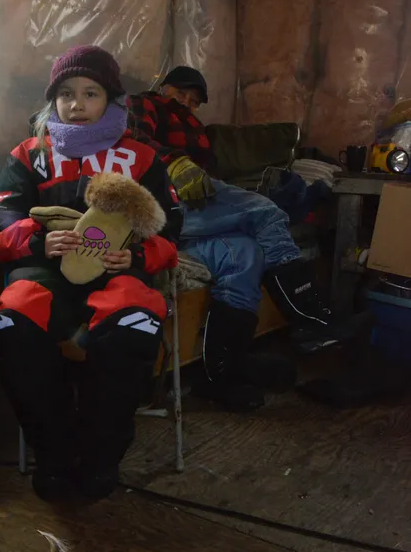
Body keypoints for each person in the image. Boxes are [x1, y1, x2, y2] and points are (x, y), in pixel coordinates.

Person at [0, 45, 181, 503]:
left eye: (91, 93)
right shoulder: (28, 155)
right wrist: (38, 241)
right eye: (67, 93)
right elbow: (0, 222)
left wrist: (134, 258)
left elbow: (173, 233)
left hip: (117, 273)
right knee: (11, 322)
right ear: (52, 101)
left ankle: (100, 457)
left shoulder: (142, 158)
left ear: (111, 101)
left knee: (133, 323)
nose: (77, 104)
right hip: (44, 270)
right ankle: (53, 454)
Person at [127, 66, 368, 411]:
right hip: (163, 197)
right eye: (180, 94)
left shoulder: (196, 127)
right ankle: (311, 321)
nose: (186, 103)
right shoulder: (143, 104)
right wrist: (176, 163)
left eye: (193, 101)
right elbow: (133, 138)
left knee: (245, 254)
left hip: (194, 207)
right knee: (266, 212)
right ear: (163, 87)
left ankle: (219, 378)